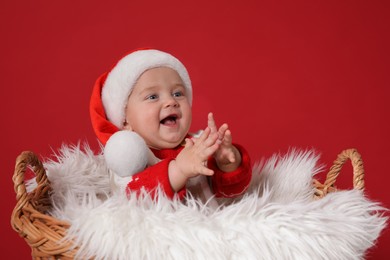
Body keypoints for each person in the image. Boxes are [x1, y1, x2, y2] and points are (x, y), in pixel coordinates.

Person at [90, 49, 252, 200]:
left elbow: (232, 192)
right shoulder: (126, 155)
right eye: (153, 96)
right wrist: (179, 170)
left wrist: (227, 164)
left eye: (177, 93)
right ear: (125, 120)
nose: (171, 101)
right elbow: (132, 198)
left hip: (207, 229)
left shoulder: (196, 146)